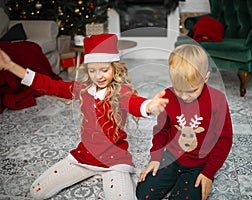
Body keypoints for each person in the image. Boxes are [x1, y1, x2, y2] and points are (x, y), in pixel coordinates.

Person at [0, 33, 168, 200]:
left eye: (104, 70)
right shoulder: (82, 89)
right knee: (36, 192)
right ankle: (92, 172)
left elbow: (135, 103)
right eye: (92, 70)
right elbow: (49, 85)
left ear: (115, 68)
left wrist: (149, 106)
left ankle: (107, 176)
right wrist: (11, 66)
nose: (99, 76)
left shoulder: (120, 92)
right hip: (84, 156)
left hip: (114, 161)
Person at [136, 44, 233, 200]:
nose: (185, 96)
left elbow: (224, 140)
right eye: (179, 89)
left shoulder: (218, 100)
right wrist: (155, 157)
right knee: (143, 193)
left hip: (200, 165)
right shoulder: (167, 96)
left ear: (206, 78)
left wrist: (208, 173)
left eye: (192, 90)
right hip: (171, 158)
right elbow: (161, 130)